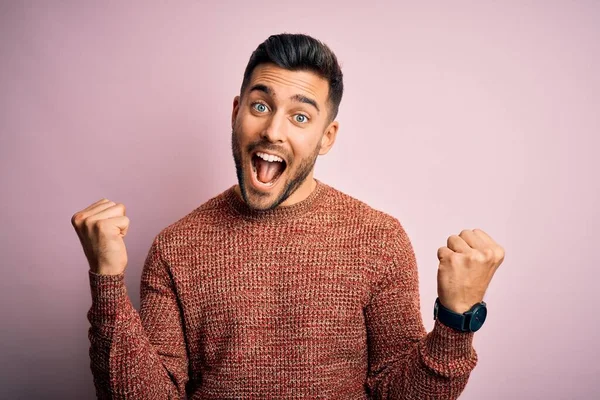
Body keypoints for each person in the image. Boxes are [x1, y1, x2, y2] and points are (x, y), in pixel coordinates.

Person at [71, 33, 505, 399]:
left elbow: (399, 393)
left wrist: (456, 318)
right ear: (236, 111)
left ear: (326, 137)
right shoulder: (176, 247)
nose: (273, 130)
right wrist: (107, 280)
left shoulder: (378, 238)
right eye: (261, 106)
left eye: (300, 116)